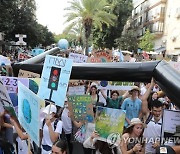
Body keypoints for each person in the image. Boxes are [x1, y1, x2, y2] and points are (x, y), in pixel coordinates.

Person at [141, 78, 164, 154]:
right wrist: (151, 86)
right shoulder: (148, 116)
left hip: (160, 150)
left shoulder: (165, 121)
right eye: (155, 111)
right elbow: (144, 99)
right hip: (146, 151)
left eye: (159, 111)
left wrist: (160, 143)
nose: (157, 113)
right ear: (151, 110)